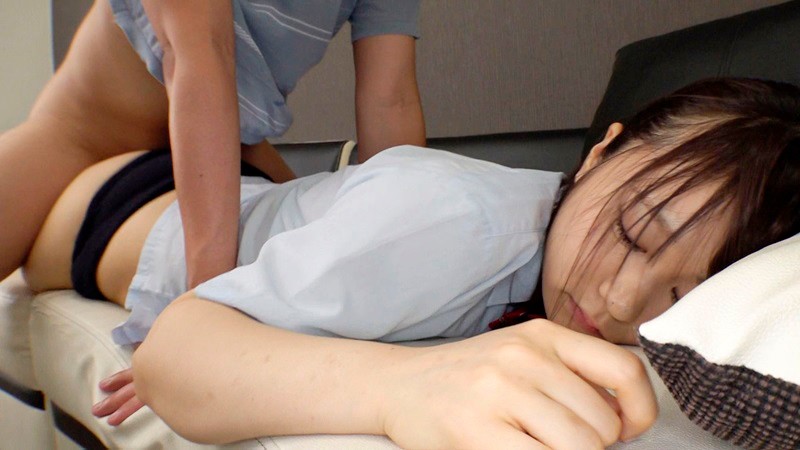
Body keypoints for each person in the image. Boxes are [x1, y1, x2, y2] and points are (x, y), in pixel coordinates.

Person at [21, 78, 800, 449]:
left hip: (254, 193)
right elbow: (174, 354)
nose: (624, 299)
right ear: (600, 153)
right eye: (632, 232)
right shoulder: (461, 226)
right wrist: (401, 386)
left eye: (679, 292)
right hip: (117, 207)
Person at [0, 0, 425, 296]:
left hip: (236, 144)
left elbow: (391, 100)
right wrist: (205, 307)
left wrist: (412, 240)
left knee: (321, 259)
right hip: (83, 134)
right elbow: (202, 53)